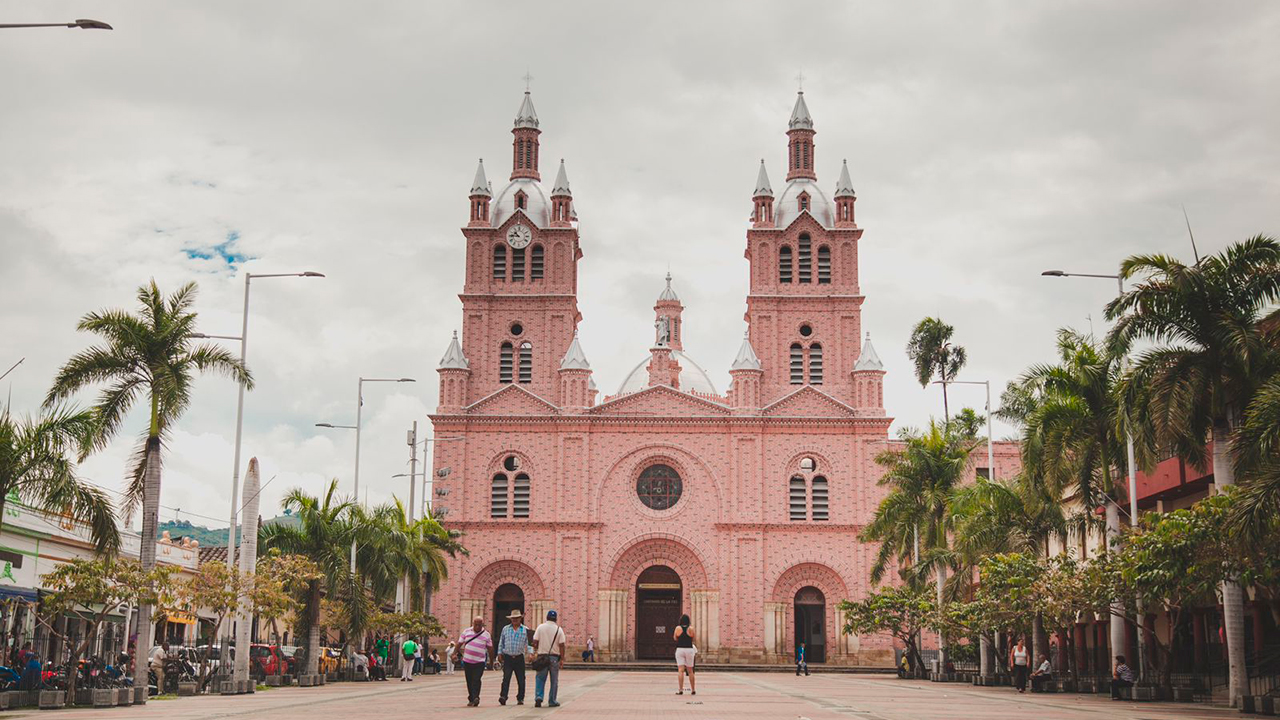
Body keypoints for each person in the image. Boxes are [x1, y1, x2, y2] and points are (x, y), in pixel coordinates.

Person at [457, 616, 494, 707]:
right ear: (473, 624)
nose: (477, 626)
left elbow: (490, 649)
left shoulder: (486, 634)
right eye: (476, 624)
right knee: (469, 680)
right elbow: (459, 643)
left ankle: (476, 697)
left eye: (479, 625)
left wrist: (491, 662)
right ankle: (471, 698)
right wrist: (454, 653)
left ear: (482, 624)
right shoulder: (466, 631)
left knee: (476, 679)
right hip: (467, 661)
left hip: (479, 662)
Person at [532, 609, 566, 708]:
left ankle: (539, 697)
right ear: (556, 619)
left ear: (546, 617)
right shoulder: (559, 629)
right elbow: (562, 645)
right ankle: (552, 700)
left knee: (540, 678)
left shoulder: (540, 627)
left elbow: (535, 642)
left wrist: (536, 650)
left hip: (542, 656)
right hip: (554, 657)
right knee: (554, 680)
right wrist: (562, 659)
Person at [497, 609, 530, 705]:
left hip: (519, 657)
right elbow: (501, 641)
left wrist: (531, 654)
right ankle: (503, 696)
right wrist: (499, 653)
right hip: (508, 657)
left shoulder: (525, 629)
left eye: (517, 618)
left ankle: (520, 698)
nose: (515, 620)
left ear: (520, 618)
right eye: (513, 618)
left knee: (521, 679)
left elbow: (529, 644)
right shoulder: (505, 629)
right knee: (506, 678)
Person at [673, 613, 697, 694]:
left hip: (680, 649)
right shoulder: (691, 628)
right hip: (689, 649)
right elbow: (693, 638)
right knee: (690, 670)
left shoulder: (678, 628)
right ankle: (693, 689)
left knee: (680, 670)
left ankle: (680, 690)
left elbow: (675, 638)